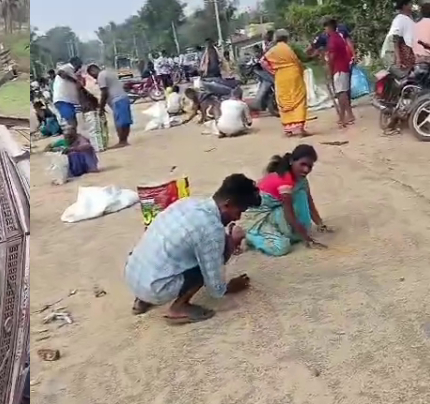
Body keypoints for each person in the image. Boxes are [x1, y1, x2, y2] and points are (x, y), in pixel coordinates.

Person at [124, 174, 261, 322]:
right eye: (239, 211)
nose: (238, 218)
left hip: (132, 275)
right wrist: (231, 244)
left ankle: (141, 301)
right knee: (206, 264)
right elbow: (215, 287)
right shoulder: (212, 230)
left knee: (162, 252)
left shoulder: (188, 202)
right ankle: (178, 308)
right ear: (227, 204)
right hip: (155, 290)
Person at [243, 144, 332, 257]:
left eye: (310, 166)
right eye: (303, 164)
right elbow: (289, 214)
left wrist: (320, 224)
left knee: (301, 194)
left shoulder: (301, 180)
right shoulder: (285, 181)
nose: (306, 169)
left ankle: (283, 230)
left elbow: (309, 202)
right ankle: (250, 236)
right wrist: (307, 239)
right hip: (260, 216)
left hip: (276, 210)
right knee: (282, 247)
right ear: (291, 161)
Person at [261, 29, 310, 137]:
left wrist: (273, 71)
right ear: (286, 38)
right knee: (298, 99)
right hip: (293, 74)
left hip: (280, 76)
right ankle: (299, 128)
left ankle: (288, 128)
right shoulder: (289, 48)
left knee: (284, 101)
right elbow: (299, 60)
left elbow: (263, 61)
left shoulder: (272, 50)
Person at [87, 64, 133, 148]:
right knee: (125, 121)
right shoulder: (108, 72)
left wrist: (101, 107)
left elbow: (104, 93)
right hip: (123, 97)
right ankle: (124, 140)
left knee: (120, 122)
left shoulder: (101, 76)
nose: (93, 77)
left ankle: (122, 141)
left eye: (92, 75)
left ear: (93, 71)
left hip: (117, 100)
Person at [324, 17, 355, 127]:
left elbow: (332, 57)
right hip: (344, 67)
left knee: (341, 93)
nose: (325, 30)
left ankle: (346, 116)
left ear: (329, 27)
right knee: (343, 92)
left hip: (339, 69)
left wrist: (329, 71)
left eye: (326, 28)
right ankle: (345, 116)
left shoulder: (333, 40)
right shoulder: (339, 37)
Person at [382, 0, 416, 70]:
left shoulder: (408, 19)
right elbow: (395, 38)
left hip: (408, 53)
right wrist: (398, 58)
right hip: (402, 54)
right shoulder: (400, 19)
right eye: (410, 4)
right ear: (404, 6)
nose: (411, 6)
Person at [52, 57, 83, 129]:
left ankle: (72, 135)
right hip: (63, 100)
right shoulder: (67, 67)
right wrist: (74, 80)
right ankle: (69, 135)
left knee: (73, 123)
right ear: (75, 63)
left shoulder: (72, 72)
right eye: (79, 66)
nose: (79, 68)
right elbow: (60, 72)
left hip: (69, 101)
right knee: (71, 123)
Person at [78, 86, 108, 152]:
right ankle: (100, 147)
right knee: (96, 130)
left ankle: (99, 147)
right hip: (90, 110)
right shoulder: (83, 89)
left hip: (91, 110)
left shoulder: (85, 88)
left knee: (95, 130)